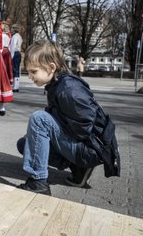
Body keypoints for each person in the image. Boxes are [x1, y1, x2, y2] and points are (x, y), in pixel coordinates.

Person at [16, 40, 120, 195]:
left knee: (39, 119)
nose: (30, 76)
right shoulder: (57, 84)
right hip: (85, 147)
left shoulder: (68, 89)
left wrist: (51, 132)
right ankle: (79, 169)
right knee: (24, 144)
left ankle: (39, 182)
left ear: (51, 67)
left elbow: (84, 127)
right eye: (28, 72)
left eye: (33, 71)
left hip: (91, 149)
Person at [9, 24, 23, 92]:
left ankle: (14, 87)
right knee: (17, 69)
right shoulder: (19, 36)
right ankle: (16, 86)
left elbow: (12, 46)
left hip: (15, 53)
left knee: (14, 69)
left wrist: (11, 56)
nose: (11, 30)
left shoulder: (14, 36)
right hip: (19, 53)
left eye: (12, 28)